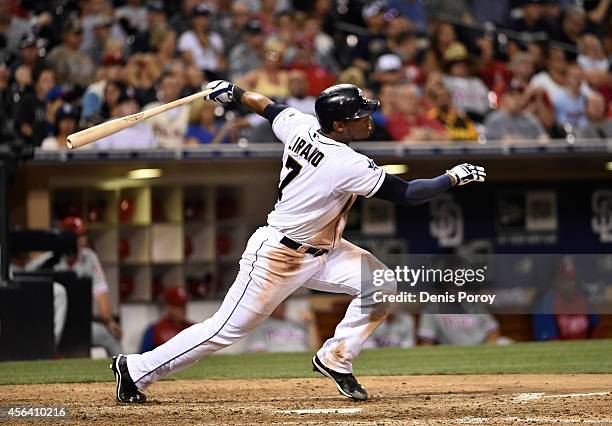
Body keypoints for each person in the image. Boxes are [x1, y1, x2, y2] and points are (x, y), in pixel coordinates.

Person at [110, 81, 486, 403]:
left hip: (325, 249)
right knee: (224, 330)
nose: (368, 118)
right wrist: (452, 177)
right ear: (339, 125)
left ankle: (336, 357)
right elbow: (407, 194)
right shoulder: (345, 163)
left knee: (380, 283)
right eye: (360, 115)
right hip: (278, 256)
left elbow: (268, 107)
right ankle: (136, 368)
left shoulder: (302, 124)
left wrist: (236, 92)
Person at [27, 217, 123, 357]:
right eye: (77, 236)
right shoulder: (49, 259)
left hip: (80, 325)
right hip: (52, 325)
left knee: (111, 336)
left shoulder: (89, 257)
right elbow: (25, 281)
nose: (82, 240)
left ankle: (126, 372)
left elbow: (100, 293)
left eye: (82, 235)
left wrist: (109, 321)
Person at [532, 256, 599, 341]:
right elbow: (547, 339)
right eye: (565, 280)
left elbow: (595, 329)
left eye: (572, 280)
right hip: (559, 351)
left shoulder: (584, 300)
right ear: (556, 282)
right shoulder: (545, 303)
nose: (569, 284)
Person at [484, 80, 549, 142]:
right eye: (512, 95)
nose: (517, 98)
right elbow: (504, 143)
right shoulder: (494, 120)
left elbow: (545, 139)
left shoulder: (530, 119)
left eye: (519, 94)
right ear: (502, 98)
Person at [245, 299, 320, 352]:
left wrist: (311, 323)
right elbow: (258, 351)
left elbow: (314, 349)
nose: (282, 305)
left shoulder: (296, 323)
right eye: (279, 302)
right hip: (279, 363)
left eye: (284, 301)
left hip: (302, 360)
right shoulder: (261, 324)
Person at [140, 287, 194, 352]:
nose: (182, 310)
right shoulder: (155, 330)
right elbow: (144, 358)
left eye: (184, 305)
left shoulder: (193, 328)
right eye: (178, 306)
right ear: (168, 306)